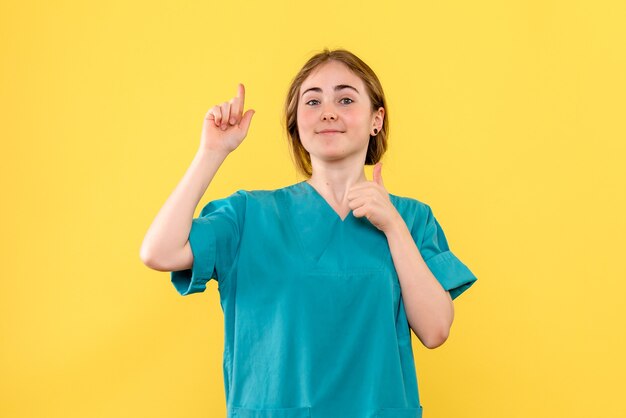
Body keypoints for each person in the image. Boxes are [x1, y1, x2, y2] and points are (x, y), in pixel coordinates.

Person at [140, 48, 478, 418]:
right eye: (313, 101)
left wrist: (393, 227)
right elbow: (159, 252)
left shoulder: (412, 219)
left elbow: (435, 330)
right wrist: (211, 152)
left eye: (346, 99)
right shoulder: (248, 215)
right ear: (296, 122)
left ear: (376, 119)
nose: (328, 111)